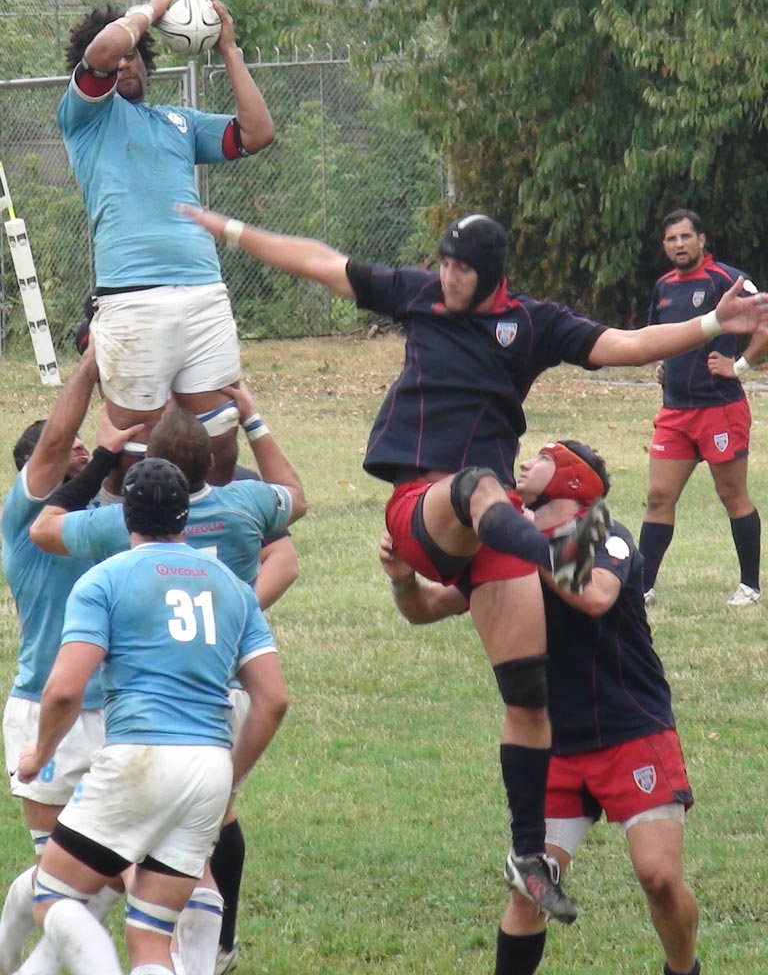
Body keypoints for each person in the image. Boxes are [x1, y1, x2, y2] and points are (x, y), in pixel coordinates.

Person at [177, 204, 767, 925]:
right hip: (426, 502)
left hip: (497, 534)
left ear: (492, 277)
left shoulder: (534, 323)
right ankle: (543, 552)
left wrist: (713, 324)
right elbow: (317, 259)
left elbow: (629, 343)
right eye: (444, 263)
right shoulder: (417, 292)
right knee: (479, 485)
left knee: (527, 697)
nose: (447, 277)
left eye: (461, 268)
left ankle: (528, 855)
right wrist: (231, 231)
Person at [380, 439, 701, 975]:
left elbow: (595, 595)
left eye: (543, 457)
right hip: (549, 743)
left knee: (660, 879)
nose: (525, 463)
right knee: (530, 893)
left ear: (575, 479)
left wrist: (524, 544)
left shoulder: (606, 532)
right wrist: (404, 580)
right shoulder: (505, 549)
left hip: (630, 731)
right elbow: (425, 610)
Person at [29, 385, 305, 975]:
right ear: (206, 474)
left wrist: (38, 753)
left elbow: (62, 688)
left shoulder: (105, 568)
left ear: (124, 510)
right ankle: (211, 956)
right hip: (211, 748)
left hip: (142, 747)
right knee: (152, 932)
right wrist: (233, 772)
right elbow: (275, 698)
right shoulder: (235, 577)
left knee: (51, 895)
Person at [58, 0, 276, 486]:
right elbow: (101, 53)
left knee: (218, 442)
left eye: (136, 56)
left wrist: (228, 49)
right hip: (133, 298)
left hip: (203, 292)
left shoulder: (180, 122)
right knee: (135, 449)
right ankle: (129, 538)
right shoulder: (86, 117)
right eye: (121, 57)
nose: (126, 64)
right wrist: (154, 8)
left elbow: (257, 131)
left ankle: (207, 545)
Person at [0, 347, 139, 975]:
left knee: (103, 876)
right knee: (60, 883)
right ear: (35, 473)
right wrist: (89, 361)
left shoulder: (100, 522)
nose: (86, 453)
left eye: (91, 450)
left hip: (111, 713)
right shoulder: (23, 520)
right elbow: (59, 440)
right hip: (43, 713)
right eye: (74, 453)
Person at [639, 208, 767, 607]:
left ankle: (749, 586)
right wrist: (665, 362)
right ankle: (641, 588)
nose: (679, 244)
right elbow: (660, 333)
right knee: (659, 496)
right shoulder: (663, 286)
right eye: (671, 239)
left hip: (720, 409)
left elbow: (764, 324)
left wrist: (740, 366)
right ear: (664, 246)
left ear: (701, 240)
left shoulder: (728, 281)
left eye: (685, 237)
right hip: (675, 411)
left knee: (732, 493)